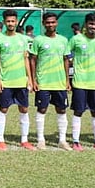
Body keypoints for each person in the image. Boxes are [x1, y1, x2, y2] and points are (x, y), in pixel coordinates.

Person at [0, 8, 34, 150]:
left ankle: (24, 139)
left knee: (24, 108)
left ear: (16, 22)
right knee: (3, 109)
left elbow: (26, 59)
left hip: (21, 81)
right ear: (4, 22)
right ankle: (0, 139)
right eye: (8, 21)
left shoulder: (23, 39)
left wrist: (29, 78)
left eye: (13, 21)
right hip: (6, 81)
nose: (10, 23)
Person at [29, 12, 70, 150]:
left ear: (56, 23)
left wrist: (67, 80)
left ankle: (62, 140)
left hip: (59, 82)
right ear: (43, 23)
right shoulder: (38, 40)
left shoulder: (63, 40)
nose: (50, 24)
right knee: (42, 109)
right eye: (48, 22)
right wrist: (34, 79)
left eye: (53, 22)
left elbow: (66, 60)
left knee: (62, 109)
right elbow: (32, 60)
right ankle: (41, 140)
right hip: (43, 81)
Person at [69, 12, 95, 151]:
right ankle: (75, 141)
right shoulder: (76, 39)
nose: (93, 27)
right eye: (91, 24)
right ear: (86, 25)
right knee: (78, 111)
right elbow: (67, 56)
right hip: (80, 82)